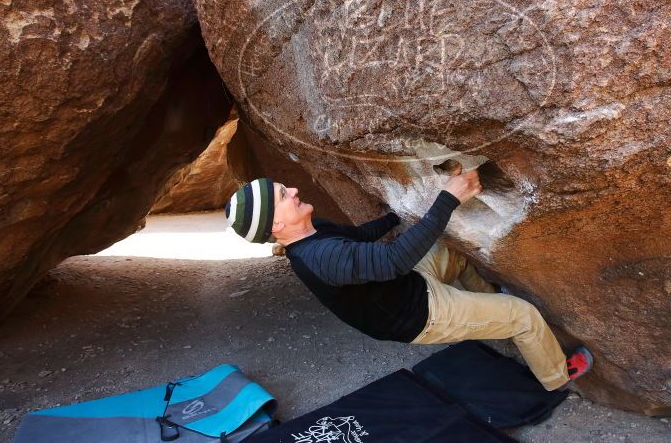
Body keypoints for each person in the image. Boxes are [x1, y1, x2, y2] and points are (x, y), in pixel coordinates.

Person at [225, 167, 593, 391]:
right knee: (523, 314)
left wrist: (395, 215)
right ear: (275, 225)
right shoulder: (320, 258)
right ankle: (558, 376)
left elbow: (361, 237)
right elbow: (393, 261)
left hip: (408, 288)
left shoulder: (313, 230)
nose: (294, 191)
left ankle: (491, 308)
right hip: (418, 314)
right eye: (284, 195)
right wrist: (447, 198)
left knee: (453, 259)